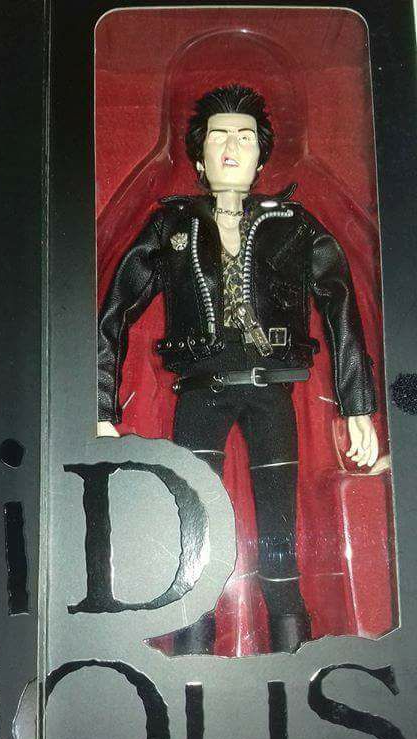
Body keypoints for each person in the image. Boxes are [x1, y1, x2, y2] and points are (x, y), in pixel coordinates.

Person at [97, 84, 378, 654]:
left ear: (261, 156)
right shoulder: (171, 225)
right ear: (199, 157)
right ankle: (192, 660)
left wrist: (358, 404)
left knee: (280, 541)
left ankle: (292, 658)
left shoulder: (294, 225)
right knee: (192, 536)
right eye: (219, 136)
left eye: (245, 138)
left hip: (272, 393)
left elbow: (342, 304)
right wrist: (100, 405)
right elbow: (115, 310)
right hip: (199, 392)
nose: (232, 147)